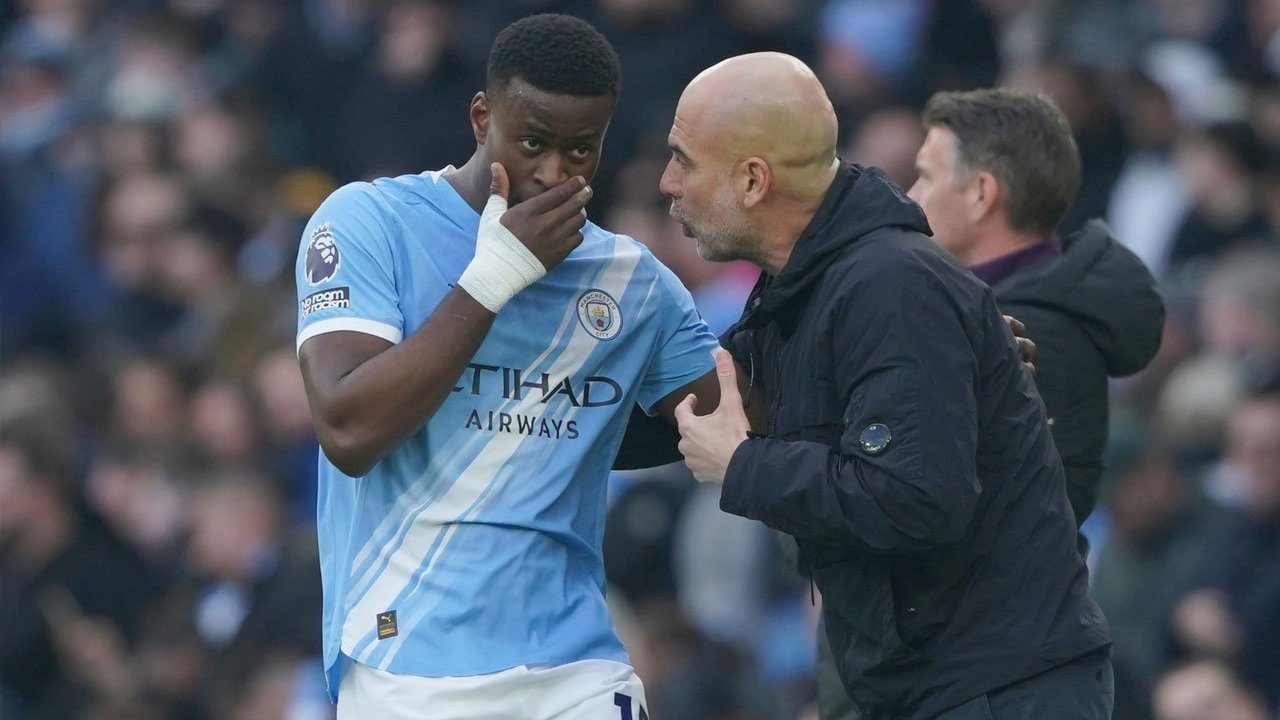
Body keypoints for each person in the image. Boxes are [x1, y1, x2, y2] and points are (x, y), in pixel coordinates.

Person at [295, 14, 726, 719]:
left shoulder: (629, 280)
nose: (554, 173)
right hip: (409, 668)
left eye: (581, 151)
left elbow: (727, 423)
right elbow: (348, 429)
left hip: (578, 669)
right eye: (532, 143)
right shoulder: (368, 221)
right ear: (480, 116)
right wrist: (493, 279)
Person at [666, 53, 1113, 720]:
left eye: (684, 160)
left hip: (997, 689)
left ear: (754, 180)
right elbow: (699, 406)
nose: (669, 182)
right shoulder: (806, 291)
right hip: (935, 686)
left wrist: (744, 465)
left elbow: (915, 497)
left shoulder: (890, 286)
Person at [907, 88, 1165, 535]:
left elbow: (943, 515)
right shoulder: (994, 306)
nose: (910, 196)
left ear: (981, 194)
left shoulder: (1035, 332)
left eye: (926, 177)